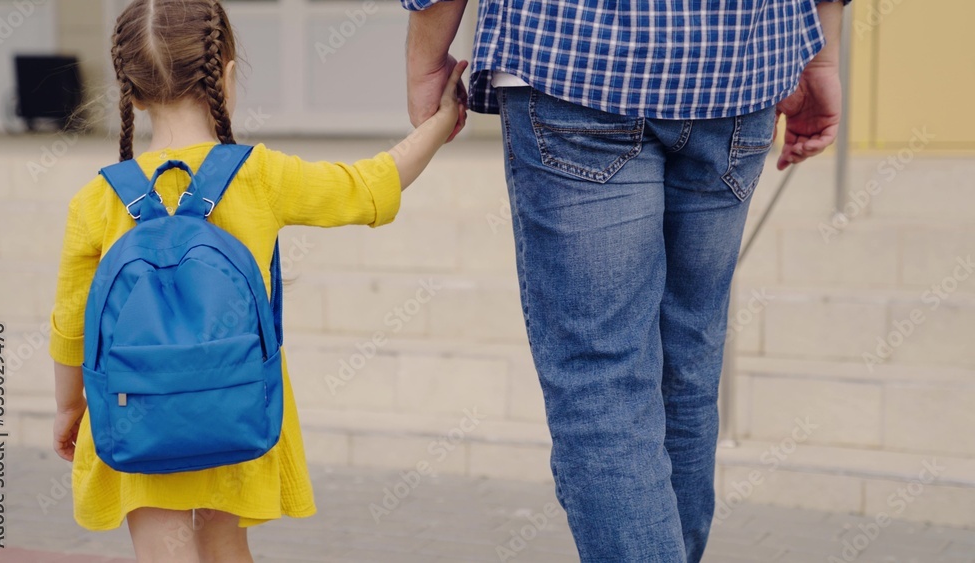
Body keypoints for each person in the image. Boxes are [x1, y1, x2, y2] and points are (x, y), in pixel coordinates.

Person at [402, 0, 849, 561]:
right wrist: (821, 59)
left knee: (602, 378)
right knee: (687, 362)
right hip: (740, 72)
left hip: (575, 61)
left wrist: (426, 58)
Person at [48, 1, 465, 561]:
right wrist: (439, 124)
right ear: (225, 75)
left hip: (134, 402)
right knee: (224, 545)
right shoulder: (259, 176)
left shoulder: (96, 200)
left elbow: (72, 323)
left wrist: (69, 406)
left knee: (162, 548)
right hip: (238, 397)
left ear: (133, 94)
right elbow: (369, 186)